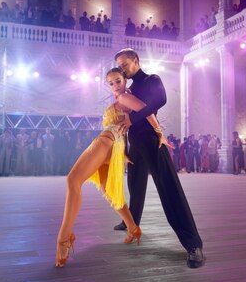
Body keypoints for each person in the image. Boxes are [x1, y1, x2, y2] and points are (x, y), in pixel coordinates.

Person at [55, 67, 173, 268]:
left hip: (106, 141)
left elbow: (147, 111)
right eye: (110, 83)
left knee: (73, 180)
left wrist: (160, 133)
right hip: (114, 146)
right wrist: (124, 152)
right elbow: (130, 124)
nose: (115, 86)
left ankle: (64, 239)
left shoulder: (126, 97)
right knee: (109, 192)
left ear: (125, 81)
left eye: (118, 81)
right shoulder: (121, 99)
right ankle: (133, 228)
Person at [113, 48, 204, 268]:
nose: (122, 69)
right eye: (119, 66)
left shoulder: (152, 79)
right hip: (136, 142)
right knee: (135, 183)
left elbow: (160, 100)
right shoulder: (130, 88)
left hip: (153, 142)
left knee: (169, 191)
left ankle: (193, 245)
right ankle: (131, 222)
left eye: (125, 65)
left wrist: (134, 119)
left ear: (136, 61)